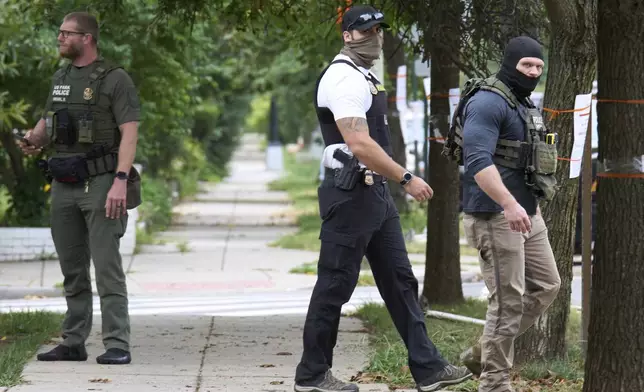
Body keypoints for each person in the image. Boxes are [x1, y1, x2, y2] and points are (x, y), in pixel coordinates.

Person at [293, 5, 472, 392]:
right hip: (350, 196)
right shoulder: (343, 79)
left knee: (400, 281)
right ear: (347, 35)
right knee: (335, 284)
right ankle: (312, 375)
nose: (375, 37)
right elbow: (357, 142)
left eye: (378, 30)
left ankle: (428, 369)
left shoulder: (364, 76)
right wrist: (406, 177)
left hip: (374, 195)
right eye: (365, 30)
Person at [18, 11, 141, 365]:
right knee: (72, 267)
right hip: (64, 181)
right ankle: (73, 340)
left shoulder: (115, 79)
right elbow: (50, 118)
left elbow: (130, 132)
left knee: (106, 267)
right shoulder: (61, 76)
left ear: (86, 38)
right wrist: (34, 138)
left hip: (102, 182)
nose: (59, 38)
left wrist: (120, 180)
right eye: (59, 33)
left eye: (65, 33)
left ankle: (117, 343)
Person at [457, 36, 562, 392]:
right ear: (509, 64)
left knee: (549, 284)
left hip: (527, 213)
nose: (533, 72)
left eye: (538, 67)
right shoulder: (488, 102)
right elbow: (477, 160)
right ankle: (495, 384)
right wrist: (508, 202)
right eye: (526, 66)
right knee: (507, 303)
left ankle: (483, 351)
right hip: (495, 214)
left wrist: (522, 206)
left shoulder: (523, 102)